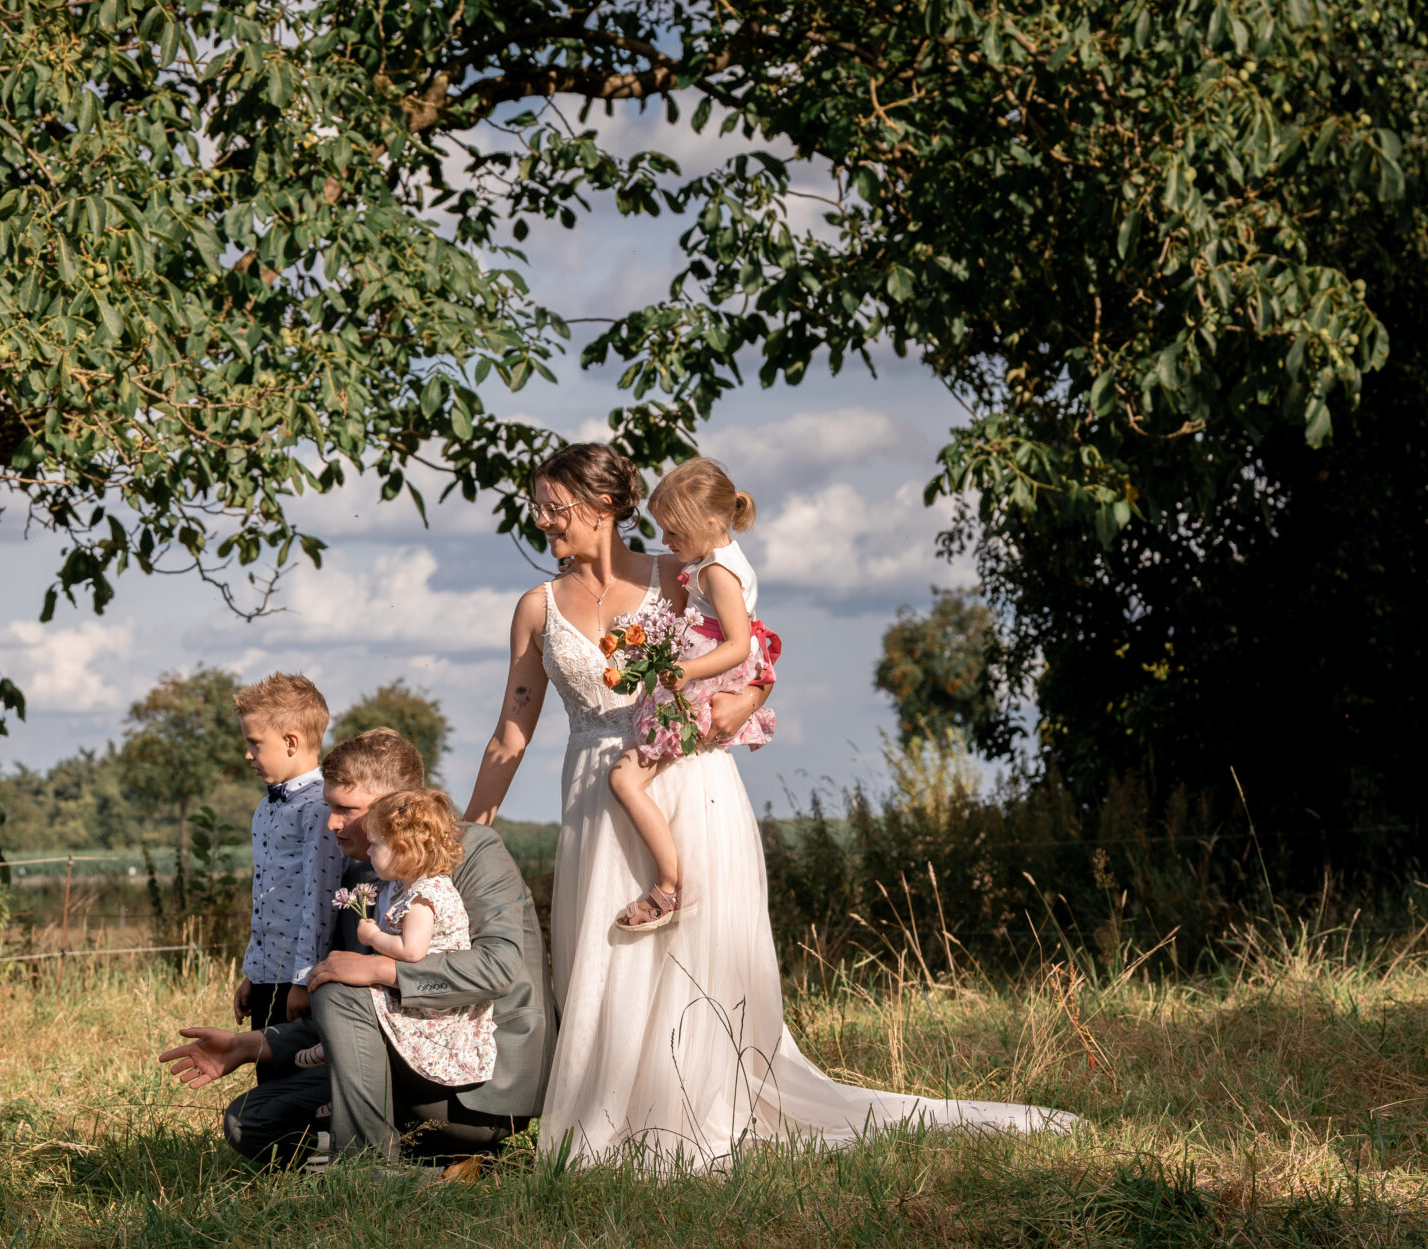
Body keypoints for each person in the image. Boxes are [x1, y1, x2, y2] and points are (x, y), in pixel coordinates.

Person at [462, 442, 1074, 1170]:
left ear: (602, 508)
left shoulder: (681, 572)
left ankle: (694, 1114)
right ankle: (608, 1124)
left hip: (690, 779)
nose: (542, 521)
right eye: (539, 507)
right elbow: (511, 731)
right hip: (597, 799)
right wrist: (467, 834)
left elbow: (754, 654)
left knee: (694, 963)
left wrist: (747, 697)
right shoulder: (536, 608)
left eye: (554, 507)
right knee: (606, 962)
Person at [158, 727, 553, 1166]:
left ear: (396, 807)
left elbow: (498, 969)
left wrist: (385, 971)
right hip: (394, 1067)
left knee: (340, 985)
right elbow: (354, 1015)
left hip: (477, 1088)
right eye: (329, 806)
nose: (331, 823)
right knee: (248, 1121)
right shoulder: (358, 879)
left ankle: (365, 1170)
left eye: (346, 809)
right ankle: (433, 1170)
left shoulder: (473, 851)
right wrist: (248, 1046)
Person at [605, 457, 783, 931]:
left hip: (703, 684)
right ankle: (670, 881)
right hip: (707, 677)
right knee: (630, 780)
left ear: (707, 523)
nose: (665, 542)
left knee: (624, 780)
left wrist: (685, 670)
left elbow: (739, 644)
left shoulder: (717, 572)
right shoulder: (720, 559)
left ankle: (668, 885)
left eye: (674, 533)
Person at [347, 787, 498, 1091]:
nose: (368, 852)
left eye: (376, 844)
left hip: (436, 1008)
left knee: (358, 993)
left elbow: (412, 952)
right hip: (428, 993)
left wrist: (374, 937)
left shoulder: (423, 898)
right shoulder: (416, 889)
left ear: (403, 849)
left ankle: (349, 1072)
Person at [231, 673, 341, 1066]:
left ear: (291, 742)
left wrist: (302, 979)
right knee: (265, 1066)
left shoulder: (321, 807)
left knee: (293, 1070)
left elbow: (319, 897)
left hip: (298, 977)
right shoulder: (267, 808)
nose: (247, 755)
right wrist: (252, 973)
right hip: (268, 972)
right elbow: (267, 898)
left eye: (254, 744)